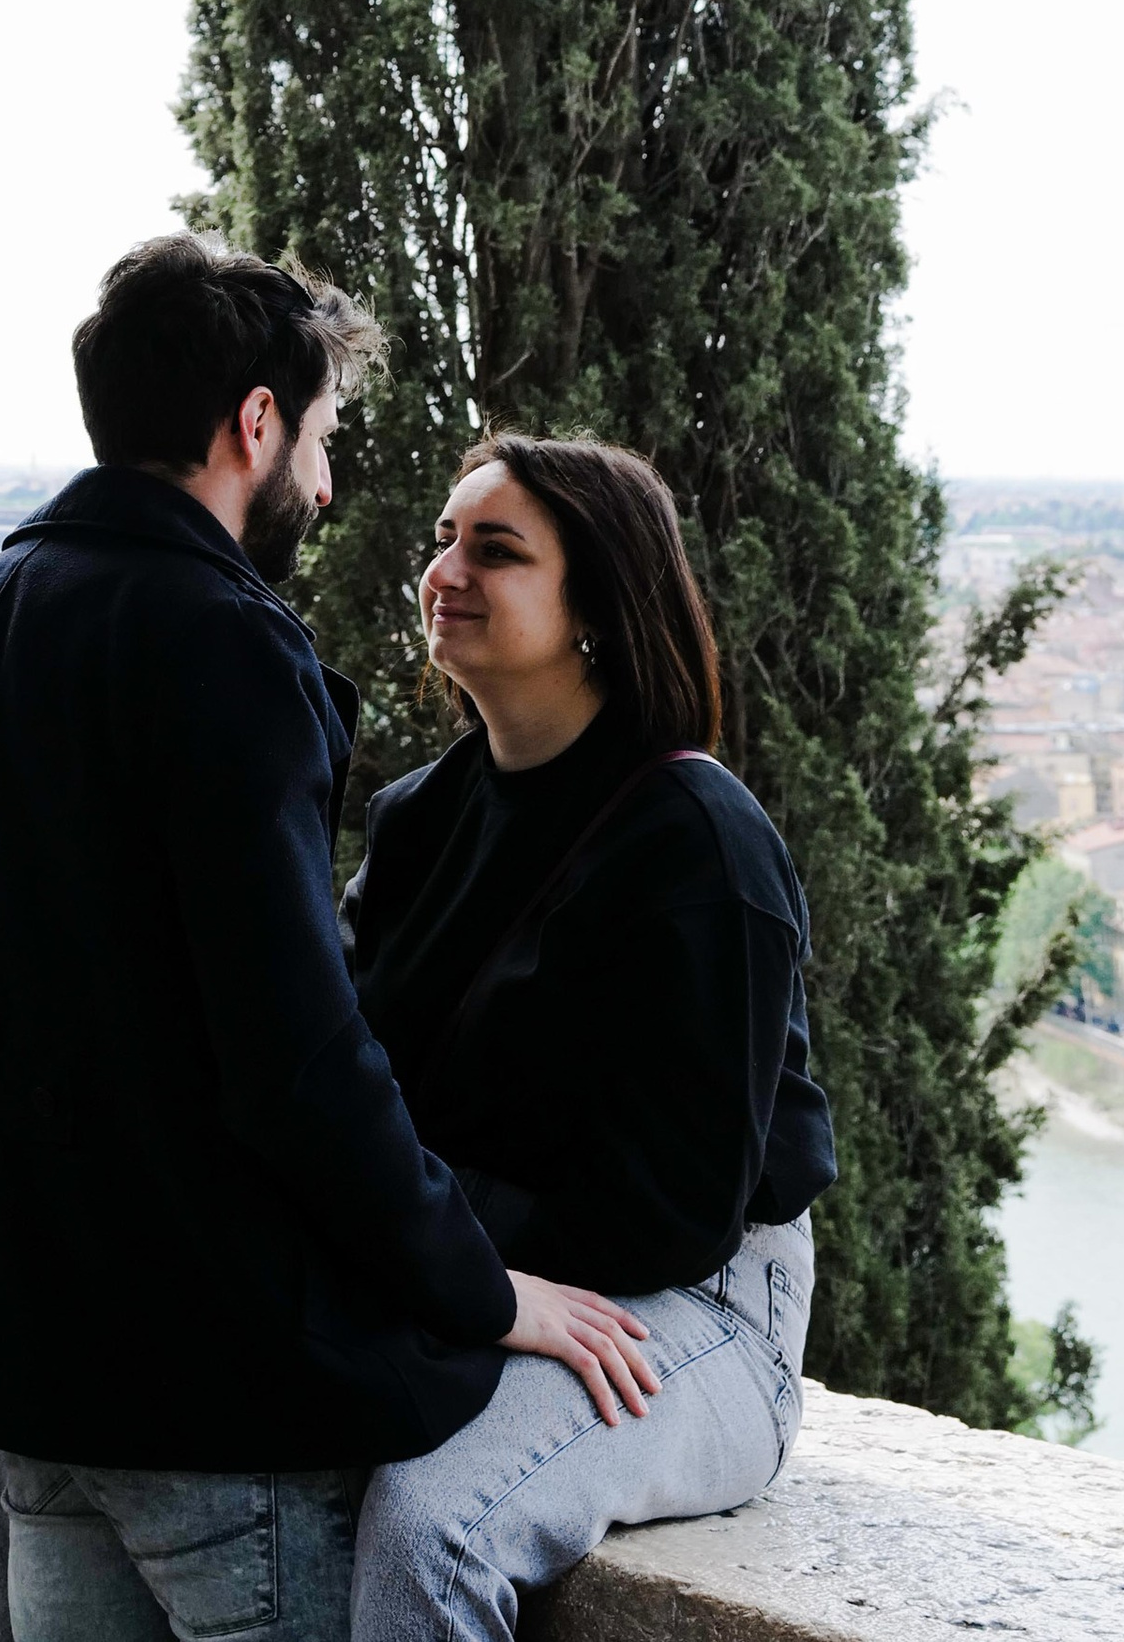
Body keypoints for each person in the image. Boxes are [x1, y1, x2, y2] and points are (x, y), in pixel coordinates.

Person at [0, 240, 656, 1642]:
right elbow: (294, 1058)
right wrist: (478, 1288)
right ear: (252, 423)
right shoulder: (224, 641)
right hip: (208, 1393)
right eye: (323, 437)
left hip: (27, 1384)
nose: (329, 481)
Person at [340, 435, 835, 1640]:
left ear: (597, 609)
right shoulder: (419, 820)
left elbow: (671, 1207)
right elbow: (346, 1076)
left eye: (495, 549)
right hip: (481, 1262)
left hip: (697, 1300)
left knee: (430, 1522)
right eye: (444, 537)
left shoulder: (696, 840)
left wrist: (443, 1256)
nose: (445, 568)